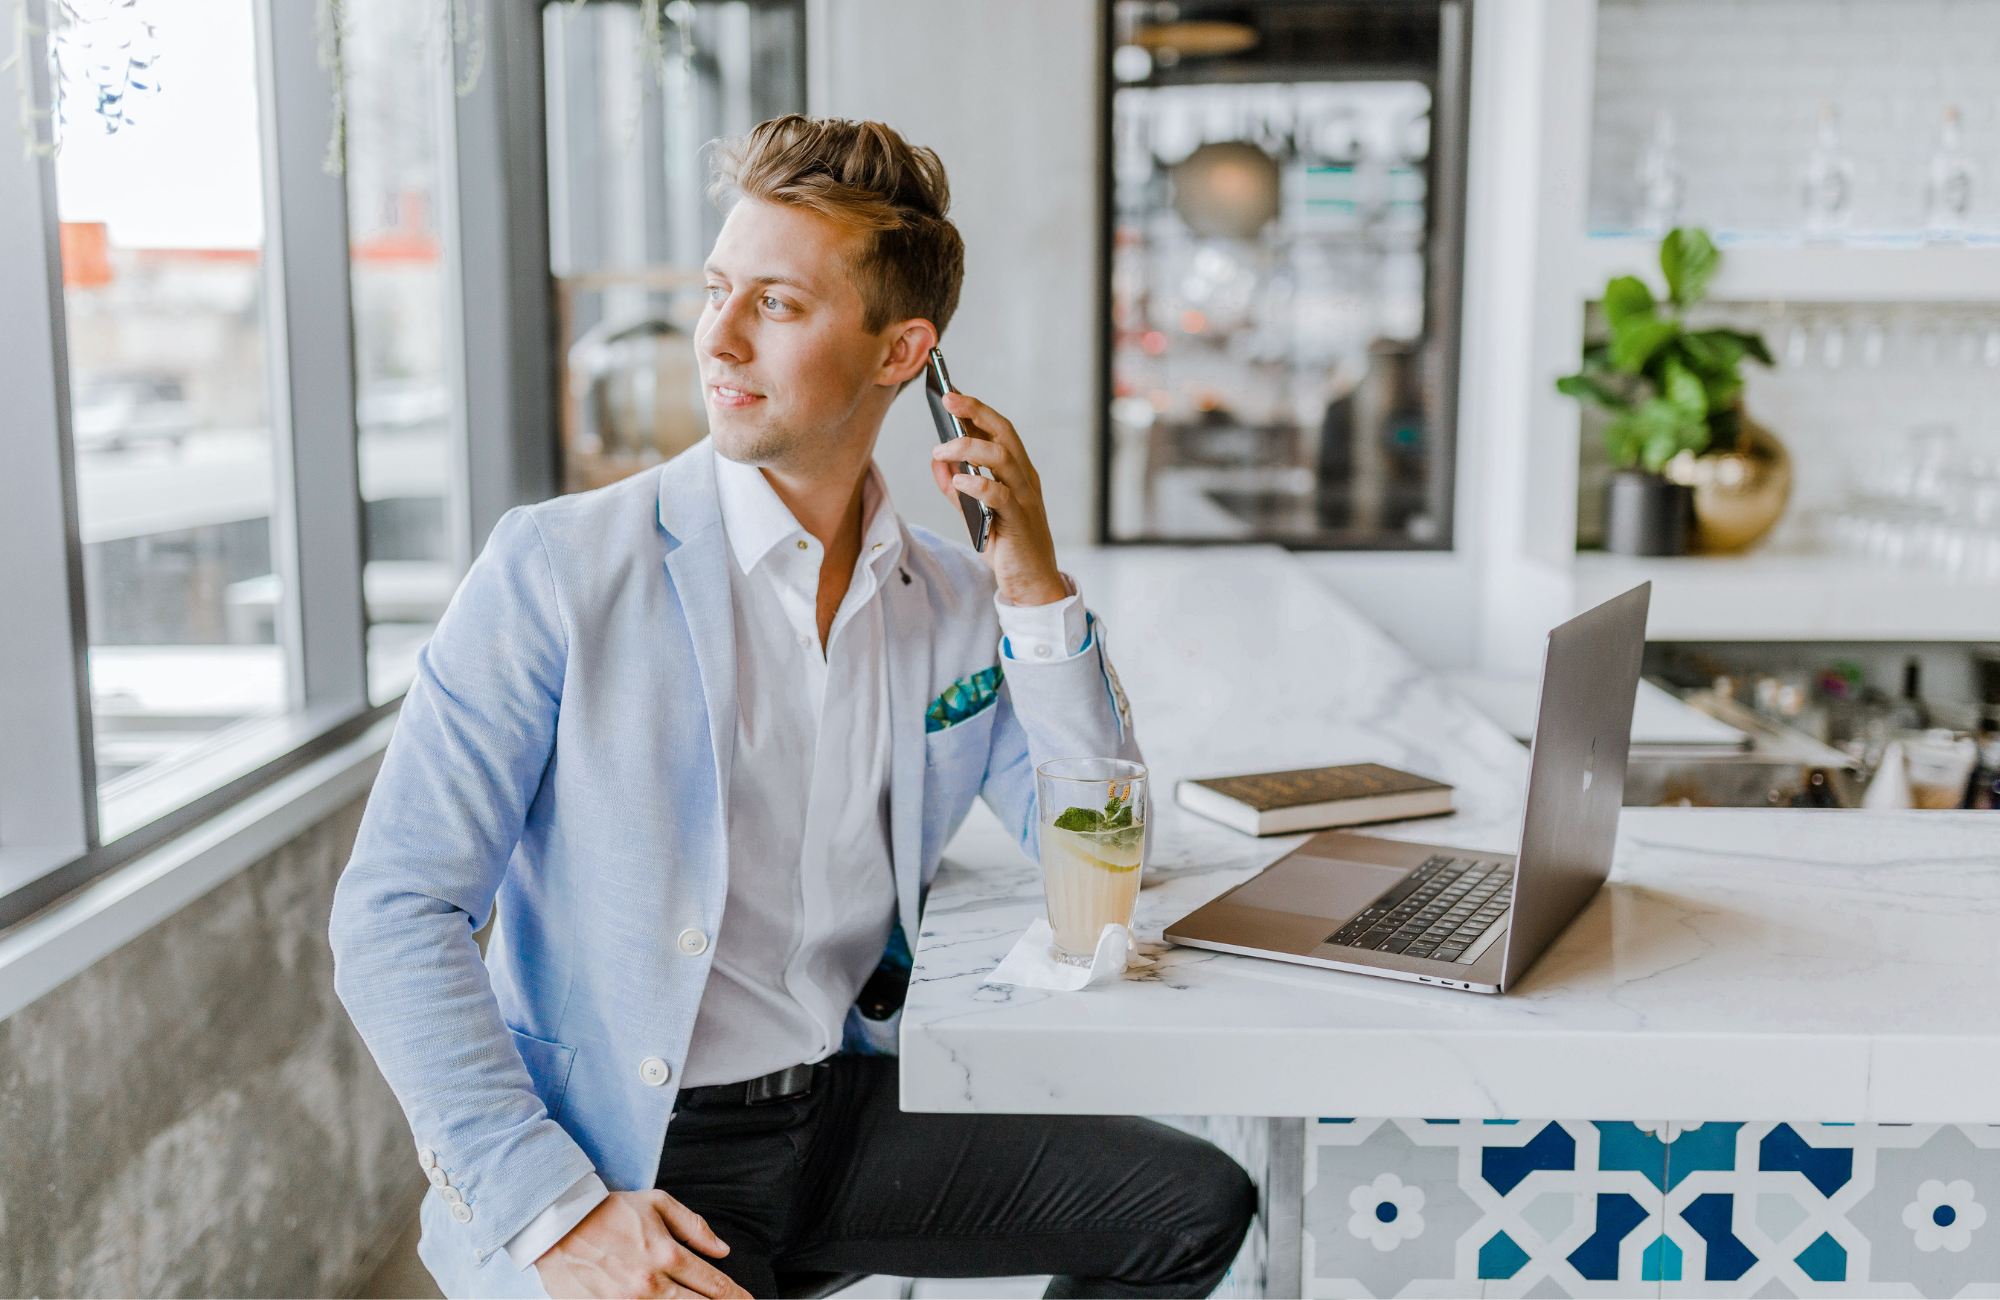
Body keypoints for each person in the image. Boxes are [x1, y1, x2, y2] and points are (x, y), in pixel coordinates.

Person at [330, 115, 1254, 1300]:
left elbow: (1100, 858)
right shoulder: (556, 569)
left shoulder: (951, 600)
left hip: (834, 1113)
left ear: (901, 352)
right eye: (716, 290)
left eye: (774, 304)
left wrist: (1031, 585)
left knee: (1190, 1210)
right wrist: (555, 1210)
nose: (715, 337)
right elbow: (395, 911)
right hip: (630, 1157)